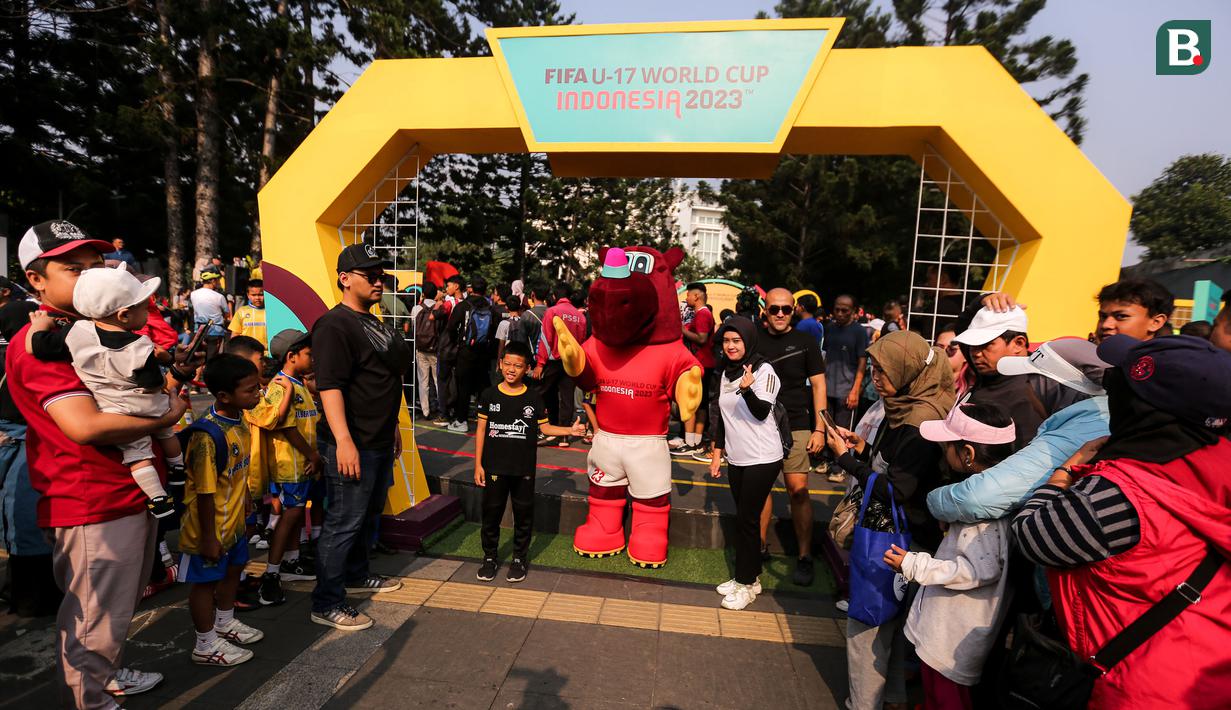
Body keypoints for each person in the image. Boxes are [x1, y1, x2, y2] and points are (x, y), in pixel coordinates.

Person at [8, 220, 191, 704]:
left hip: (128, 490)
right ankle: (94, 697)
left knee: (117, 603)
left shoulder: (92, 326)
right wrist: (168, 414)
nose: (90, 275)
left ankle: (107, 673)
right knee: (94, 617)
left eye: (95, 264)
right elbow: (85, 427)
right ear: (36, 280)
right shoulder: (43, 345)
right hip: (91, 498)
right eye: (73, 268)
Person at [1012, 335, 1231, 709]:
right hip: (1206, 666)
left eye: (1119, 382)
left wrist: (1065, 470)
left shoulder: (1119, 495)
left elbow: (1033, 534)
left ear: (1141, 406)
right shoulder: (1218, 461)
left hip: (1140, 684)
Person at [825, 329, 954, 709]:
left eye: (884, 371)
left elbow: (899, 489)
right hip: (910, 534)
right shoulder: (914, 403)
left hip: (898, 537)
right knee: (891, 623)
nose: (875, 380)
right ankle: (893, 698)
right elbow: (900, 467)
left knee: (866, 625)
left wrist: (846, 460)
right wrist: (864, 449)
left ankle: (862, 704)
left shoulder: (919, 420)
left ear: (909, 369)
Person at [26, 263, 186, 519]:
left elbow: (36, 346)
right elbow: (153, 383)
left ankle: (157, 498)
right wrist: (165, 360)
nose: (148, 312)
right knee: (166, 431)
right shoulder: (141, 346)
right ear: (124, 315)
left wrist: (39, 323)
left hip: (114, 409)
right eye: (144, 308)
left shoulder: (75, 333)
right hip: (148, 406)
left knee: (137, 455)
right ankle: (178, 469)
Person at [885, 402, 1018, 710]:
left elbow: (974, 571)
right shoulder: (989, 499)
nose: (943, 452)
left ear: (968, 454)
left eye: (947, 446)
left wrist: (913, 564)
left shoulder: (986, 517)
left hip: (952, 640)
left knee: (946, 699)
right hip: (948, 631)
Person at [309, 244, 409, 631]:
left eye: (381, 274)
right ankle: (327, 601)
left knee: (366, 517)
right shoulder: (335, 325)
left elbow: (384, 380)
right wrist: (344, 440)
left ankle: (355, 573)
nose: (379, 280)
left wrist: (395, 426)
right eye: (371, 275)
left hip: (379, 438)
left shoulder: (374, 319)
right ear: (345, 278)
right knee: (344, 521)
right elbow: (330, 386)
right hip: (353, 442)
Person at [177, 354, 266, 666]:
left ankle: (225, 622)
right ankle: (205, 643)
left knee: (233, 571)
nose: (258, 394)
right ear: (224, 395)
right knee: (205, 583)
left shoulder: (240, 418)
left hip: (234, 523)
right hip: (209, 528)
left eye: (258, 388)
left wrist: (247, 508)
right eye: (251, 390)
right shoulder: (207, 435)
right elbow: (204, 492)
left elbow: (236, 473)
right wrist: (208, 538)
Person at [473, 341, 585, 583]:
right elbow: (481, 430)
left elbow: (545, 427)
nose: (512, 369)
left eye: (518, 365)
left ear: (527, 369)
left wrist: (570, 431)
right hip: (493, 468)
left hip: (523, 469)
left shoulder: (534, 398)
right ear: (500, 364)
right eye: (508, 364)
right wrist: (478, 465)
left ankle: (518, 559)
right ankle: (490, 558)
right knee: (491, 514)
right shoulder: (488, 395)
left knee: (523, 515)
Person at [708, 318, 782, 610]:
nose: (730, 346)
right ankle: (751, 579)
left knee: (747, 521)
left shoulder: (764, 370)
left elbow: (762, 411)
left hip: (763, 456)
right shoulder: (727, 372)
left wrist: (748, 389)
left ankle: (744, 582)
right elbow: (724, 418)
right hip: (737, 456)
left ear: (748, 341)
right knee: (744, 518)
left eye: (736, 341)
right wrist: (717, 452)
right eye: (726, 341)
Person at [756, 288, 827, 585]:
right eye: (775, 309)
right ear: (765, 311)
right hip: (759, 425)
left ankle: (804, 556)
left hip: (797, 423)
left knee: (798, 490)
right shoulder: (753, 340)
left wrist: (820, 429)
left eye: (786, 309)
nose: (781, 314)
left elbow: (819, 386)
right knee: (761, 491)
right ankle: (758, 551)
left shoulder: (806, 341)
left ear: (795, 309)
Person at [253, 329, 323, 606]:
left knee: (294, 515)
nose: (314, 358)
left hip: (301, 463)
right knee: (291, 515)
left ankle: (292, 561)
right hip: (291, 463)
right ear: (292, 356)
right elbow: (284, 425)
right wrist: (312, 455)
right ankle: (271, 574)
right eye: (309, 354)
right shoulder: (282, 386)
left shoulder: (298, 383)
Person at [534, 283, 586, 446]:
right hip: (571, 362)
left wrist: (540, 363)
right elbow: (582, 342)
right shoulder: (580, 316)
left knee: (540, 392)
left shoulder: (552, 311)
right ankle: (563, 435)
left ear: (555, 297)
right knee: (567, 397)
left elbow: (546, 339)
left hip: (552, 360)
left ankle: (543, 427)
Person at [444, 276, 495, 433]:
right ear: (485, 290)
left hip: (466, 351)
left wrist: (457, 342)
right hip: (484, 353)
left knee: (463, 387)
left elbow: (451, 327)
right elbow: (494, 332)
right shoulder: (490, 308)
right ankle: (487, 420)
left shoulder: (463, 306)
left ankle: (461, 420)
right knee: (484, 387)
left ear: (471, 289)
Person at [677, 282, 715, 456]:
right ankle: (696, 442)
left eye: (688, 295)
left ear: (696, 296)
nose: (686, 298)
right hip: (703, 364)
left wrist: (682, 330)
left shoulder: (702, 315)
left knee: (691, 403)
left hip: (700, 364)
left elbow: (701, 338)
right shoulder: (703, 314)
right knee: (699, 405)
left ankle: (691, 442)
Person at [824, 294, 868, 432]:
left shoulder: (859, 331)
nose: (840, 313)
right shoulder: (830, 328)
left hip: (847, 392)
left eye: (845, 310)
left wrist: (855, 391)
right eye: (837, 310)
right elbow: (825, 356)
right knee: (826, 431)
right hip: (827, 389)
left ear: (854, 311)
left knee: (842, 434)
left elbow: (862, 362)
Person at [1093, 278, 1173, 343]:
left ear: (1155, 322)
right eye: (1103, 317)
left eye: (1121, 316)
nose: (1105, 325)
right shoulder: (1085, 358)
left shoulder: (1165, 362)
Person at [410, 281, 444, 421]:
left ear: (423, 293)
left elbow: (413, 328)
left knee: (422, 380)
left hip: (421, 349)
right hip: (436, 349)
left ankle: (425, 411)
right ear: (435, 294)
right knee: (438, 380)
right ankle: (442, 409)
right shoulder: (439, 309)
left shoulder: (416, 309)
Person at [191, 269, 231, 354]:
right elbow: (227, 314)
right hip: (215, 331)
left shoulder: (193, 294)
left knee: (199, 358)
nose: (219, 282)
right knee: (213, 358)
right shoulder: (219, 296)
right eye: (218, 280)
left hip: (198, 330)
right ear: (213, 280)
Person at [228, 279, 267, 344]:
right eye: (253, 295)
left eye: (260, 294)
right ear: (248, 295)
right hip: (247, 351)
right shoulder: (241, 311)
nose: (257, 298)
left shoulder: (271, 312)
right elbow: (235, 335)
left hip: (267, 352)